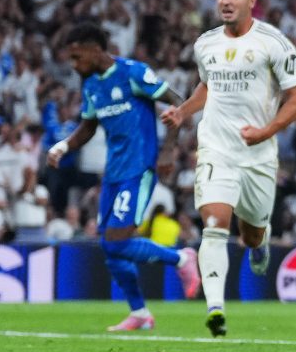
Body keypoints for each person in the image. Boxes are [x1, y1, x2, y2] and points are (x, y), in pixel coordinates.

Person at [161, 0, 296, 338]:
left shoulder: (274, 43)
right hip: (216, 149)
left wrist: (266, 131)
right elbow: (207, 87)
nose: (226, 2)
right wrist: (183, 111)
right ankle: (215, 309)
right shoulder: (205, 44)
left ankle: (259, 244)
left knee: (252, 233)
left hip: (258, 154)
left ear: (252, 1)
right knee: (213, 226)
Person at [48, 21, 201, 331]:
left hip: (139, 168)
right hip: (114, 173)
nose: (73, 65)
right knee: (109, 245)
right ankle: (141, 314)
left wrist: (169, 150)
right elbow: (89, 127)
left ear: (94, 49)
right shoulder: (91, 85)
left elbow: (177, 102)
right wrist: (63, 145)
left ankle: (182, 259)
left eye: (77, 57)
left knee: (117, 242)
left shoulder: (132, 72)